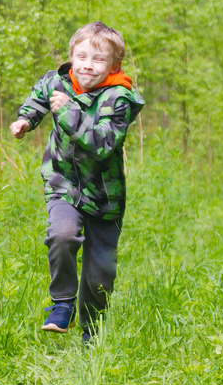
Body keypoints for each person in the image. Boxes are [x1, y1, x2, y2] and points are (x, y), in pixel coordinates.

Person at [10, 22, 145, 345]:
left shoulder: (119, 97)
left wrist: (70, 112)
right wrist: (26, 119)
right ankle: (62, 304)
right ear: (71, 55)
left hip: (104, 194)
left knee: (100, 272)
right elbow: (41, 97)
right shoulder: (59, 81)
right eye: (81, 56)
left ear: (115, 65)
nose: (87, 65)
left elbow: (103, 144)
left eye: (99, 59)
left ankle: (92, 332)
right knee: (62, 234)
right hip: (63, 181)